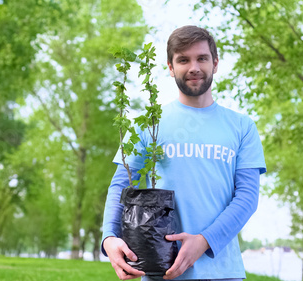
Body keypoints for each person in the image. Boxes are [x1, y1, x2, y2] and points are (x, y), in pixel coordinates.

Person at [101, 25, 266, 281]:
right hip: (160, 272)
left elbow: (247, 198)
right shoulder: (148, 124)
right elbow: (121, 185)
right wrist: (109, 237)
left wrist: (203, 241)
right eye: (183, 60)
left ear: (215, 63)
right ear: (170, 67)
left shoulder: (242, 127)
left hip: (223, 273)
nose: (194, 67)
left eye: (202, 58)